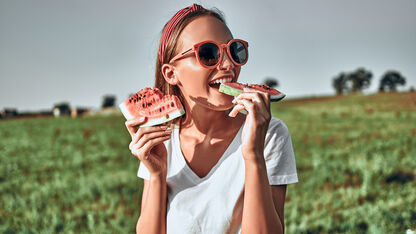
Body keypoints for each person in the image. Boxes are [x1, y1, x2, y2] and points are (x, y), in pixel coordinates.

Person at [124, 3, 298, 234]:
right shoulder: (160, 138)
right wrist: (156, 175)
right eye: (208, 54)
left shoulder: (270, 134)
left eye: (234, 51)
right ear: (171, 73)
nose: (227, 65)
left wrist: (253, 155)